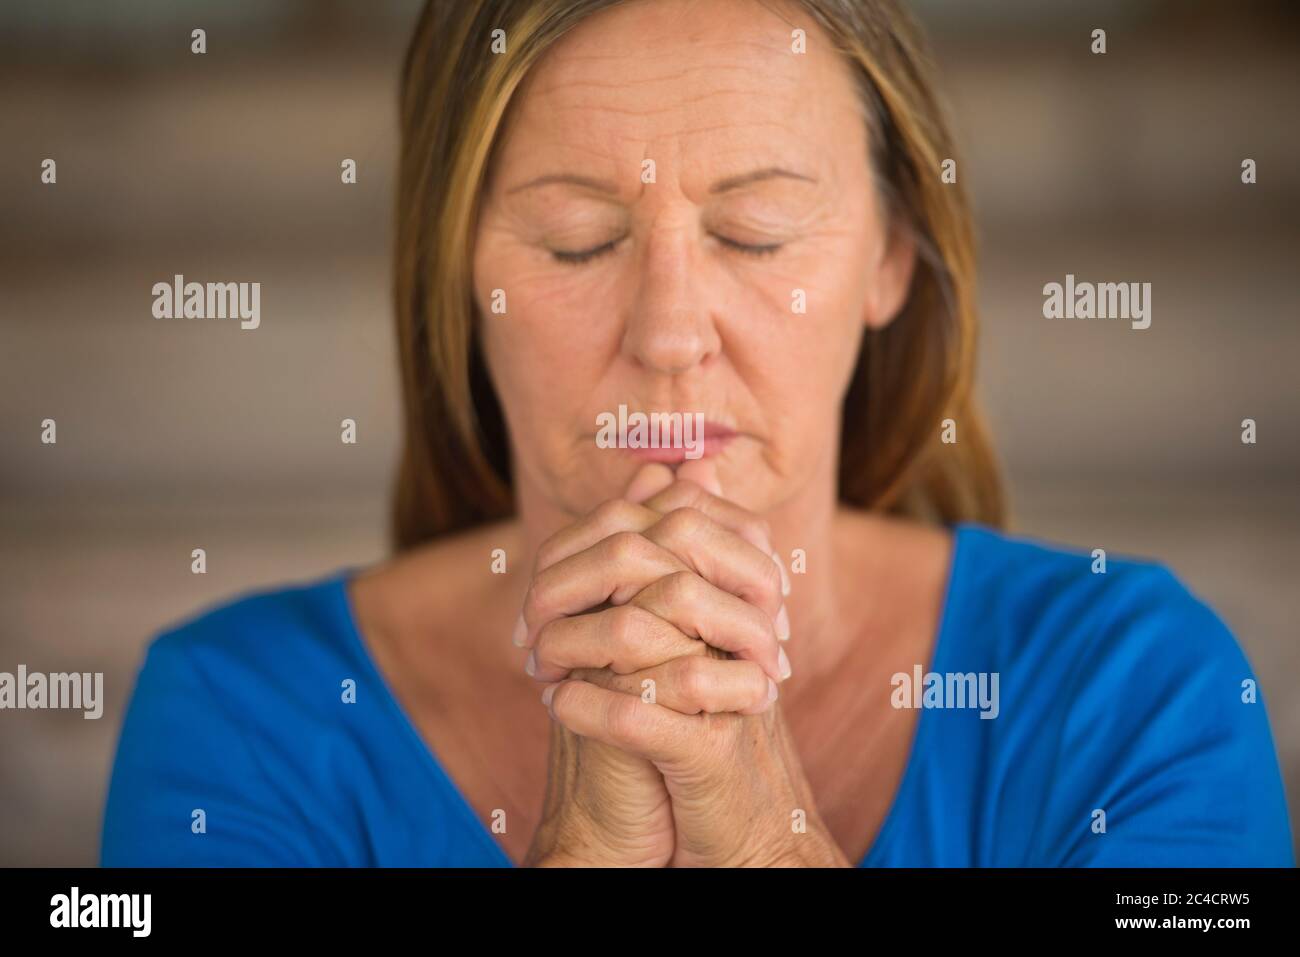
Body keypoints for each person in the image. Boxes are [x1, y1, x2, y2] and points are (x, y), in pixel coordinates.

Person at [101, 0, 1293, 867]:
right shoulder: (239, 718)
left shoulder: (1137, 693)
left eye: (759, 233)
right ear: (455, 274)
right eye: (575, 241)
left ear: (890, 257)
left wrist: (769, 841)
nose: (669, 334)